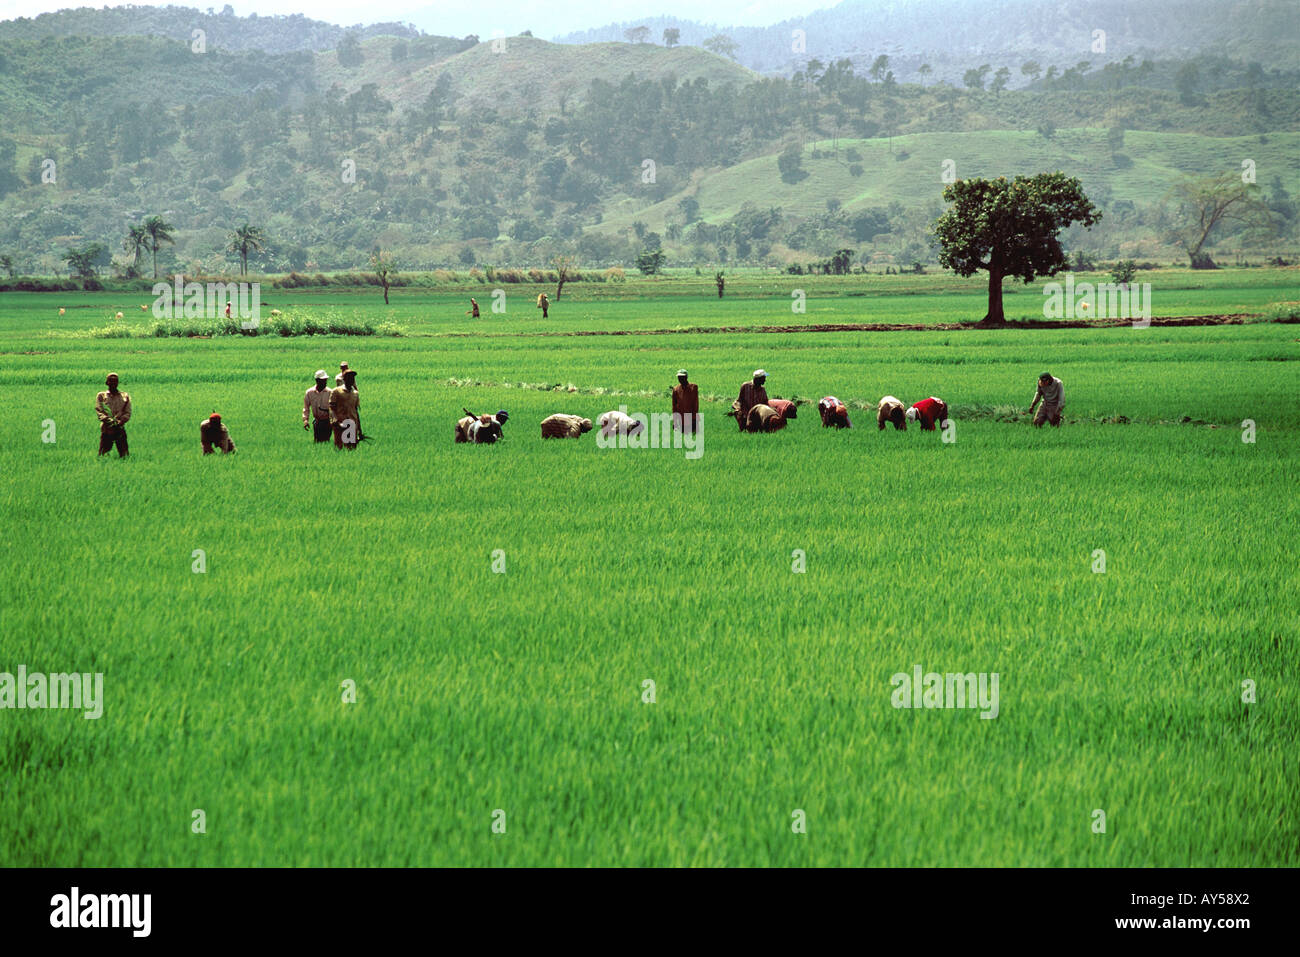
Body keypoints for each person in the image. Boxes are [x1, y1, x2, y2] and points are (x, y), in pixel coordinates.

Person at [96, 372, 132, 457]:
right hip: (107, 429)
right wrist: (110, 421)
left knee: (125, 455)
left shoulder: (124, 396)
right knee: (103, 455)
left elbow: (127, 412)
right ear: (106, 382)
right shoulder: (101, 395)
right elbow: (99, 411)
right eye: (110, 381)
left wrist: (121, 421)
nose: (113, 383)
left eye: (115, 381)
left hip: (120, 428)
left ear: (118, 382)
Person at [329, 368, 361, 449]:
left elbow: (356, 411)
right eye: (349, 377)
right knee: (340, 448)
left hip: (352, 424)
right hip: (340, 425)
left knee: (352, 449)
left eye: (353, 378)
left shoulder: (355, 393)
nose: (352, 379)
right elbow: (331, 408)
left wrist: (359, 430)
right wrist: (335, 420)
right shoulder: (336, 391)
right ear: (344, 379)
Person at [303, 370, 332, 442]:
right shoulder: (310, 392)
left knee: (325, 441)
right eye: (322, 380)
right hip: (317, 421)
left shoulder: (330, 392)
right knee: (317, 441)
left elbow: (335, 408)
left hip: (327, 422)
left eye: (325, 380)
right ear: (317, 380)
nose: (325, 382)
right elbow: (306, 407)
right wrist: (305, 420)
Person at [672, 369, 700, 433]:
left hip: (691, 419)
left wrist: (694, 419)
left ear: (686, 377)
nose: (680, 379)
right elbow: (674, 406)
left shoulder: (693, 387)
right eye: (679, 377)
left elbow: (695, 404)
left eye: (682, 377)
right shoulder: (676, 389)